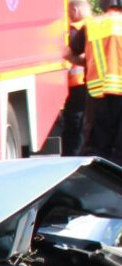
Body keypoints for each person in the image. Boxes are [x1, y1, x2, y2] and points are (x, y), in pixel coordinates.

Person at [70, 0, 122, 162]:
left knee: (97, 148)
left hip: (98, 93)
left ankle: (96, 183)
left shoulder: (93, 24)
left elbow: (67, 53)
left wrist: (88, 62)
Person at [62, 0, 91, 155]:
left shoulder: (77, 29)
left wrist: (82, 63)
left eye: (69, 12)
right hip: (92, 84)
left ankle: (72, 158)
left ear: (75, 10)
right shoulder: (97, 26)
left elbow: (66, 54)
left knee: (74, 126)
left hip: (78, 84)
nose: (68, 16)